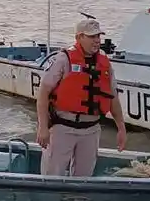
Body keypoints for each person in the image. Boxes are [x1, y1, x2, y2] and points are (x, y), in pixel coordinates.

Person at [36, 18, 127, 176]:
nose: (97, 41)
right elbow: (43, 93)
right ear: (79, 37)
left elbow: (113, 98)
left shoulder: (105, 64)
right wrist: (43, 127)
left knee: (83, 179)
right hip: (62, 128)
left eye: (98, 36)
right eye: (92, 37)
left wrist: (121, 127)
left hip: (91, 131)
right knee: (51, 176)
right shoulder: (63, 59)